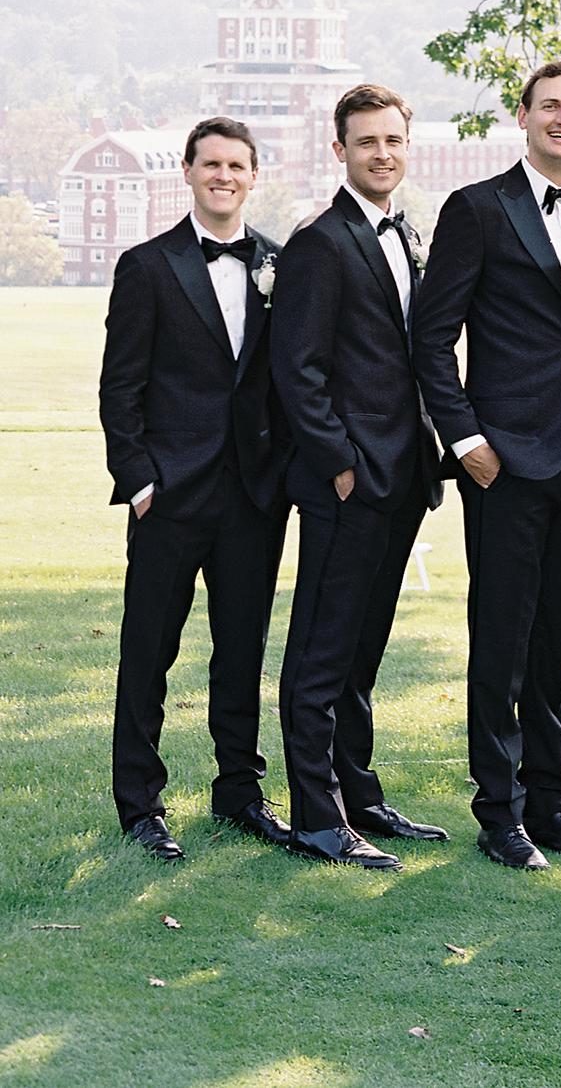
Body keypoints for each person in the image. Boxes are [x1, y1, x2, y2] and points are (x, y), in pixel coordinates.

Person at [413, 59, 561, 870]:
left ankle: (551, 804)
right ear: (523, 116)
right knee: (500, 638)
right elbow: (431, 336)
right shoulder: (477, 210)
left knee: (557, 644)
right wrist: (465, 441)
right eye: (550, 107)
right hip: (503, 460)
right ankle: (497, 813)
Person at [99, 116, 290, 860]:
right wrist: (140, 481)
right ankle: (140, 804)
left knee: (241, 653)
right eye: (210, 164)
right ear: (187, 171)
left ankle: (240, 792)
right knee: (148, 652)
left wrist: (278, 481)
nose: (223, 176)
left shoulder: (279, 262)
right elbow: (121, 388)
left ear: (252, 175)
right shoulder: (147, 266)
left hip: (252, 497)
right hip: (170, 496)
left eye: (236, 165)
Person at [273, 83, 444, 869]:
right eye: (366, 142)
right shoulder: (319, 241)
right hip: (348, 482)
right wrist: (339, 464)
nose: (383, 154)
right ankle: (317, 817)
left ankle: (360, 795)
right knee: (320, 652)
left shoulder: (407, 234)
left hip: (405, 477)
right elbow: (297, 371)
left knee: (362, 652)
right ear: (338, 150)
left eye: (393, 141)